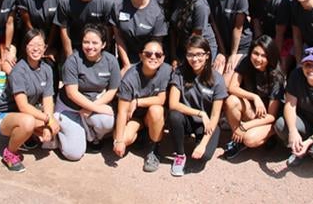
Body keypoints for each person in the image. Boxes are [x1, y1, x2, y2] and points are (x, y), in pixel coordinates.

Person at [0, 29, 59, 172]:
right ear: (25, 47)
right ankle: (9, 153)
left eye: (40, 45)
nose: (36, 49)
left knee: (56, 126)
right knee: (29, 122)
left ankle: (26, 137)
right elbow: (23, 106)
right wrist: (47, 120)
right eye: (31, 45)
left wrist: (50, 121)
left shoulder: (47, 69)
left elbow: (47, 99)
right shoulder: (19, 71)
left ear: (45, 48)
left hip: (24, 115)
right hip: (3, 115)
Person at [55, 24, 121, 161]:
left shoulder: (111, 61)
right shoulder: (73, 61)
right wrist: (95, 108)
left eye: (95, 42)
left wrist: (92, 108)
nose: (90, 46)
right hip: (70, 108)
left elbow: (112, 90)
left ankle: (92, 136)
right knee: (73, 154)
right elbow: (72, 93)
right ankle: (63, 129)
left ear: (103, 44)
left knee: (107, 121)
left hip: (92, 104)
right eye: (86, 42)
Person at [168, 35, 227, 176]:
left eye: (199, 54)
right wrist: (200, 113)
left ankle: (199, 142)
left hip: (206, 125)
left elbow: (214, 116)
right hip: (188, 119)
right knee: (174, 115)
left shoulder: (217, 79)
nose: (194, 59)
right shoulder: (179, 73)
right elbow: (173, 104)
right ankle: (180, 155)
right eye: (190, 55)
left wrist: (203, 144)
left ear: (207, 55)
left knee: (204, 156)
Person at [112, 40, 172, 172]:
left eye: (158, 55)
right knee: (122, 139)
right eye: (148, 53)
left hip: (150, 115)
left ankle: (154, 150)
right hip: (134, 117)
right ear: (141, 55)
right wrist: (120, 142)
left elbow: (161, 99)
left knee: (156, 110)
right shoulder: (130, 78)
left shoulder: (166, 70)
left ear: (163, 58)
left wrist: (138, 101)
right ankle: (143, 134)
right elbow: (122, 112)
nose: (153, 57)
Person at [222, 35, 284, 159]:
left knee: (250, 140)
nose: (258, 59)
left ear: (270, 57)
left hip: (268, 119)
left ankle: (271, 134)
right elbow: (232, 87)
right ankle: (238, 139)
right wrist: (255, 97)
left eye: (264, 56)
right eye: (255, 53)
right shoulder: (246, 62)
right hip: (254, 111)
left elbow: (271, 116)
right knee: (231, 101)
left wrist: (245, 126)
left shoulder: (276, 77)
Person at [204, 0, 252, 84]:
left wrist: (232, 55)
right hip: (222, 42)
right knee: (214, 78)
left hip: (239, 45)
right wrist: (222, 52)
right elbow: (213, 24)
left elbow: (238, 28)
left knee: (225, 83)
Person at [111, 0, 168, 73]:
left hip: (148, 58)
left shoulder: (157, 11)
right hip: (125, 56)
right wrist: (126, 64)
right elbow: (118, 36)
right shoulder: (118, 4)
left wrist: (143, 66)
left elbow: (156, 44)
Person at [161, 0, 217, 67]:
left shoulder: (199, 5)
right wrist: (173, 57)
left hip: (200, 48)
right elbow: (172, 30)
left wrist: (183, 61)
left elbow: (197, 36)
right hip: (182, 47)